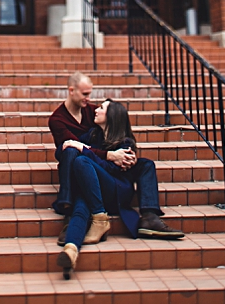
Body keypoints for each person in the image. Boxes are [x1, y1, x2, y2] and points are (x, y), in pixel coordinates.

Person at [57, 99, 184, 279]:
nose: (96, 110)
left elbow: (111, 169)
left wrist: (85, 150)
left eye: (101, 108)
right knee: (80, 208)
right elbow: (63, 149)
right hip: (94, 192)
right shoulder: (93, 135)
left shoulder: (126, 143)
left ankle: (101, 217)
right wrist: (85, 148)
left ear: (111, 116)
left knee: (81, 160)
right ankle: (71, 251)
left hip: (116, 191)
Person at [48, 74, 185, 239]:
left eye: (90, 94)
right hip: (82, 166)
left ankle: (150, 216)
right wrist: (109, 155)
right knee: (72, 153)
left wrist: (127, 157)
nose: (91, 101)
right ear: (72, 91)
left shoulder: (92, 112)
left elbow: (100, 142)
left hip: (102, 167)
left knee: (146, 164)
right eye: (85, 94)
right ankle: (68, 208)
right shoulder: (57, 120)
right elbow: (73, 148)